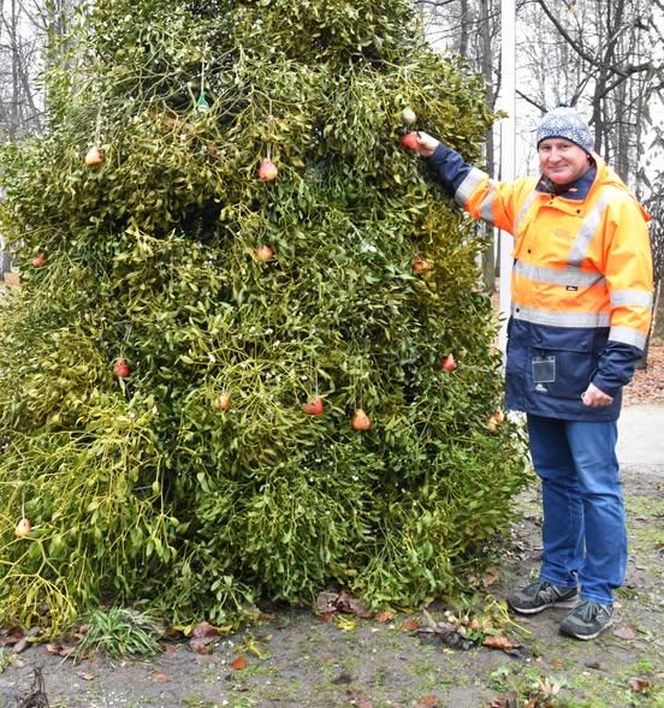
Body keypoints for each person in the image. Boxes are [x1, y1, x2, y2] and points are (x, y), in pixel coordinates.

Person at [409, 106, 653, 640]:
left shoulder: (614, 208)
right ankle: (557, 576)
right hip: (539, 366)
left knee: (597, 483)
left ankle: (598, 592)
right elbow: (480, 192)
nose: (554, 155)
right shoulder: (531, 197)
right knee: (555, 478)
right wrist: (435, 153)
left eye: (564, 146)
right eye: (546, 147)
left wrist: (610, 378)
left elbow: (634, 301)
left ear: (586, 151)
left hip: (588, 374)